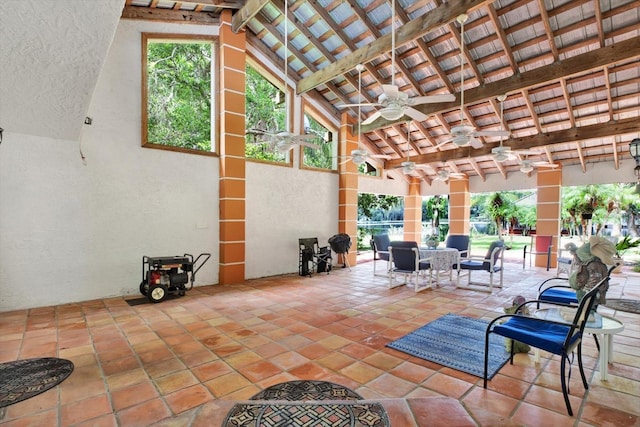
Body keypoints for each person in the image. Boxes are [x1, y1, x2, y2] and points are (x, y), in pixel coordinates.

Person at [568, 236, 617, 305]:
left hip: (587, 296)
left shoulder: (594, 266)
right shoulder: (590, 263)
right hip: (584, 291)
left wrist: (587, 291)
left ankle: (589, 312)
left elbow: (593, 284)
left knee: (588, 307)